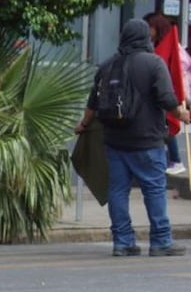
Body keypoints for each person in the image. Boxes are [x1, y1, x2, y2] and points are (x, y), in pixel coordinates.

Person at [76, 18, 189, 257]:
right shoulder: (154, 64)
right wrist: (183, 114)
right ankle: (160, 241)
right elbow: (167, 99)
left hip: (114, 141)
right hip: (147, 141)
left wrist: (83, 124)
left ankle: (122, 242)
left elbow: (93, 103)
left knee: (117, 191)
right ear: (144, 38)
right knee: (154, 189)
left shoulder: (107, 66)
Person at [143, 13, 190, 176]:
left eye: (150, 27)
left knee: (167, 125)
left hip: (171, 95)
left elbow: (179, 74)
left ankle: (175, 159)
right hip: (165, 95)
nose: (148, 31)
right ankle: (170, 159)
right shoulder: (160, 47)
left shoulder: (172, 49)